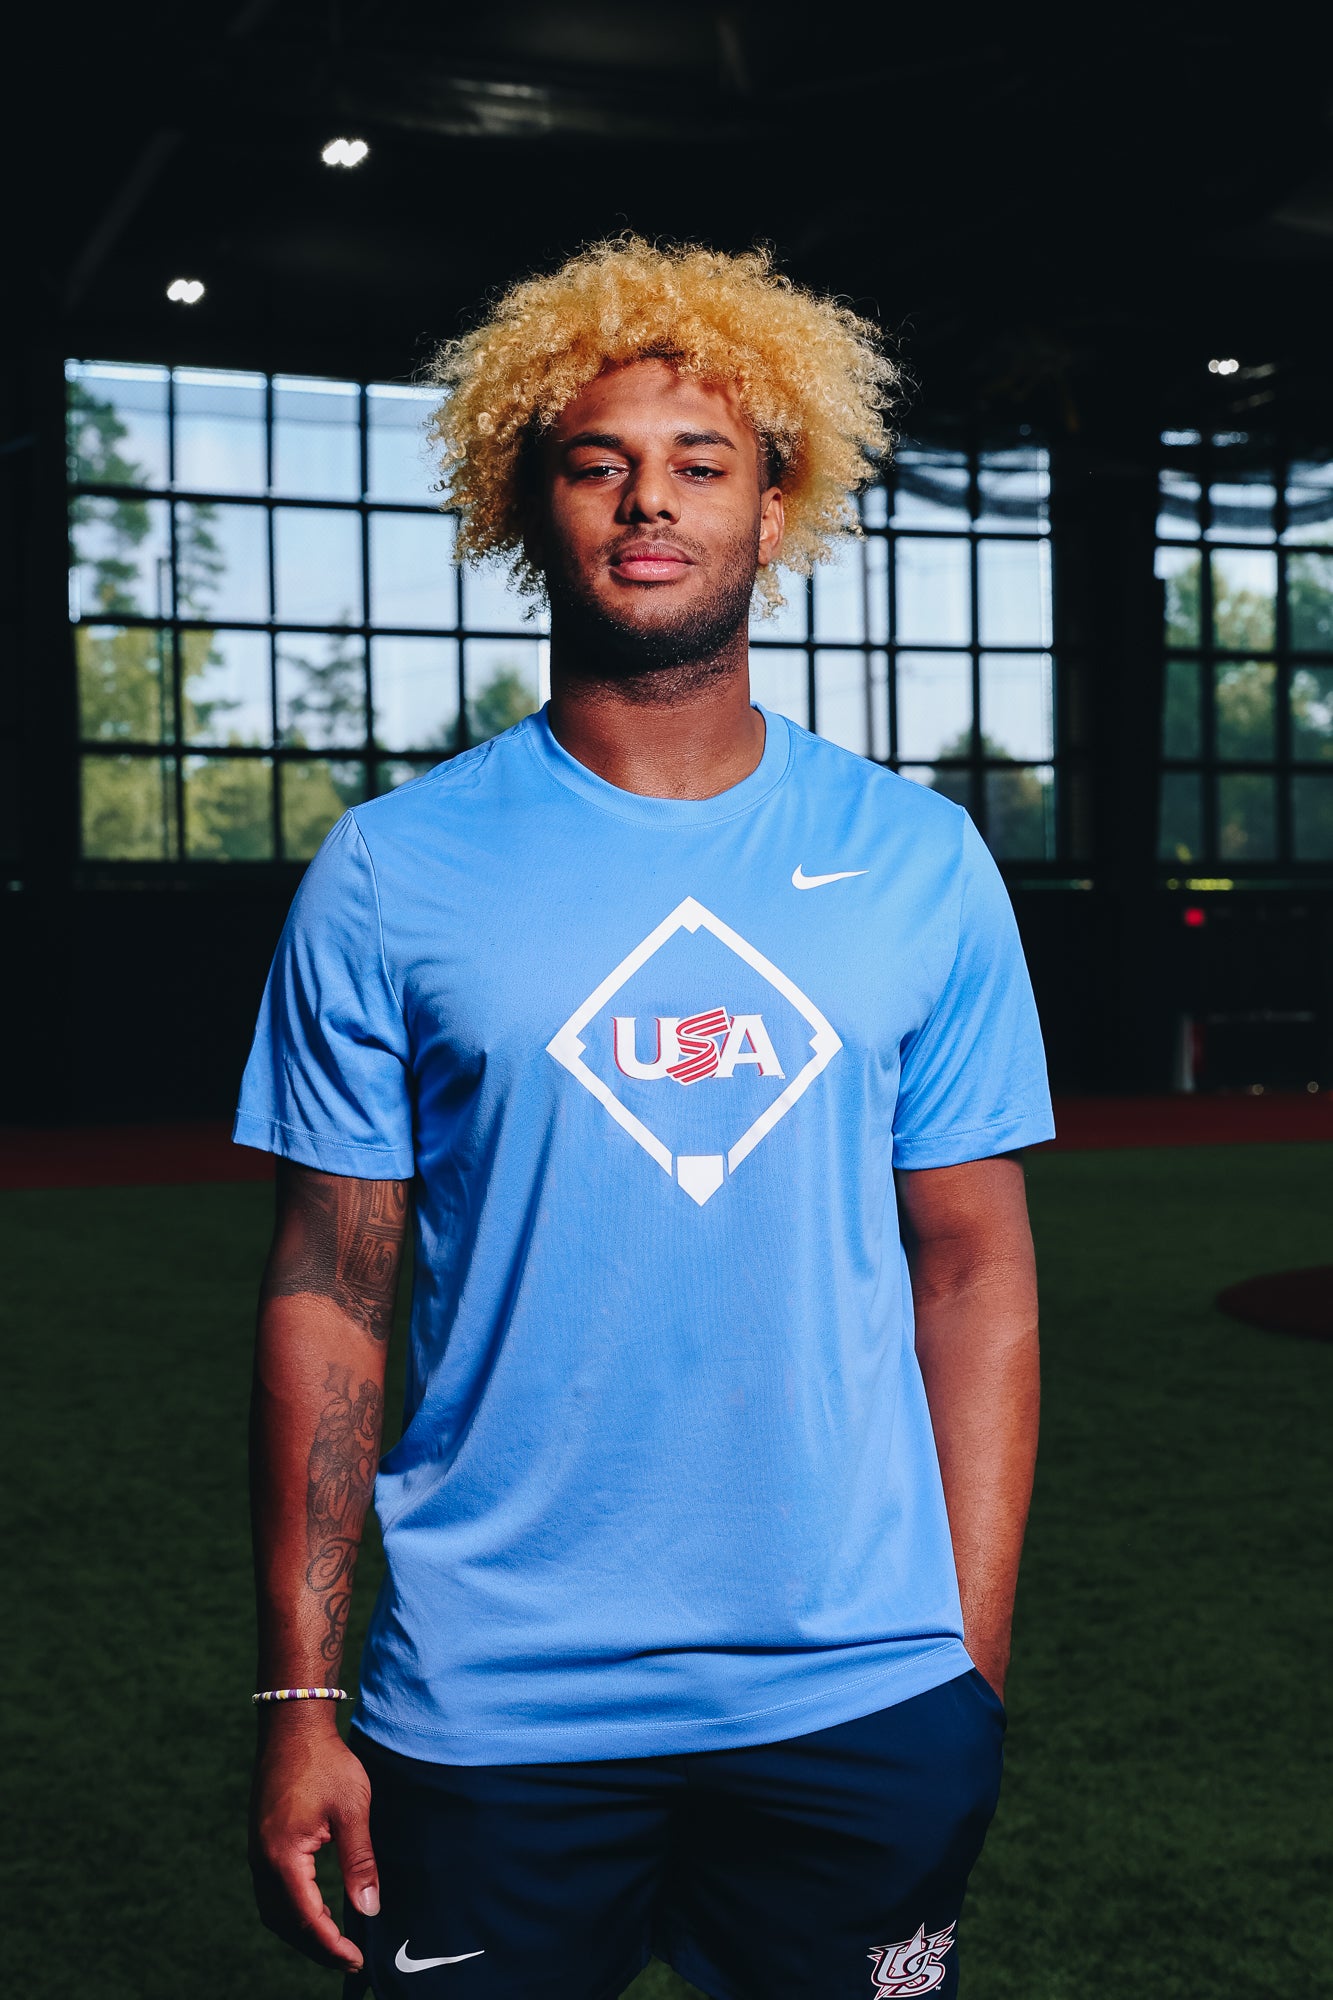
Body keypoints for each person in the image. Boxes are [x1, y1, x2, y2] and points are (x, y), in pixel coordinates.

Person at [238, 237, 1052, 2000]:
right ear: (525, 505)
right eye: (595, 463)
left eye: (701, 461)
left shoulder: (918, 861)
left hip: (858, 1697)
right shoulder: (389, 871)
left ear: (777, 503)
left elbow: (973, 1270)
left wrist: (964, 1664)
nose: (649, 502)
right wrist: (302, 1697)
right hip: (489, 1706)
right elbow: (329, 1295)